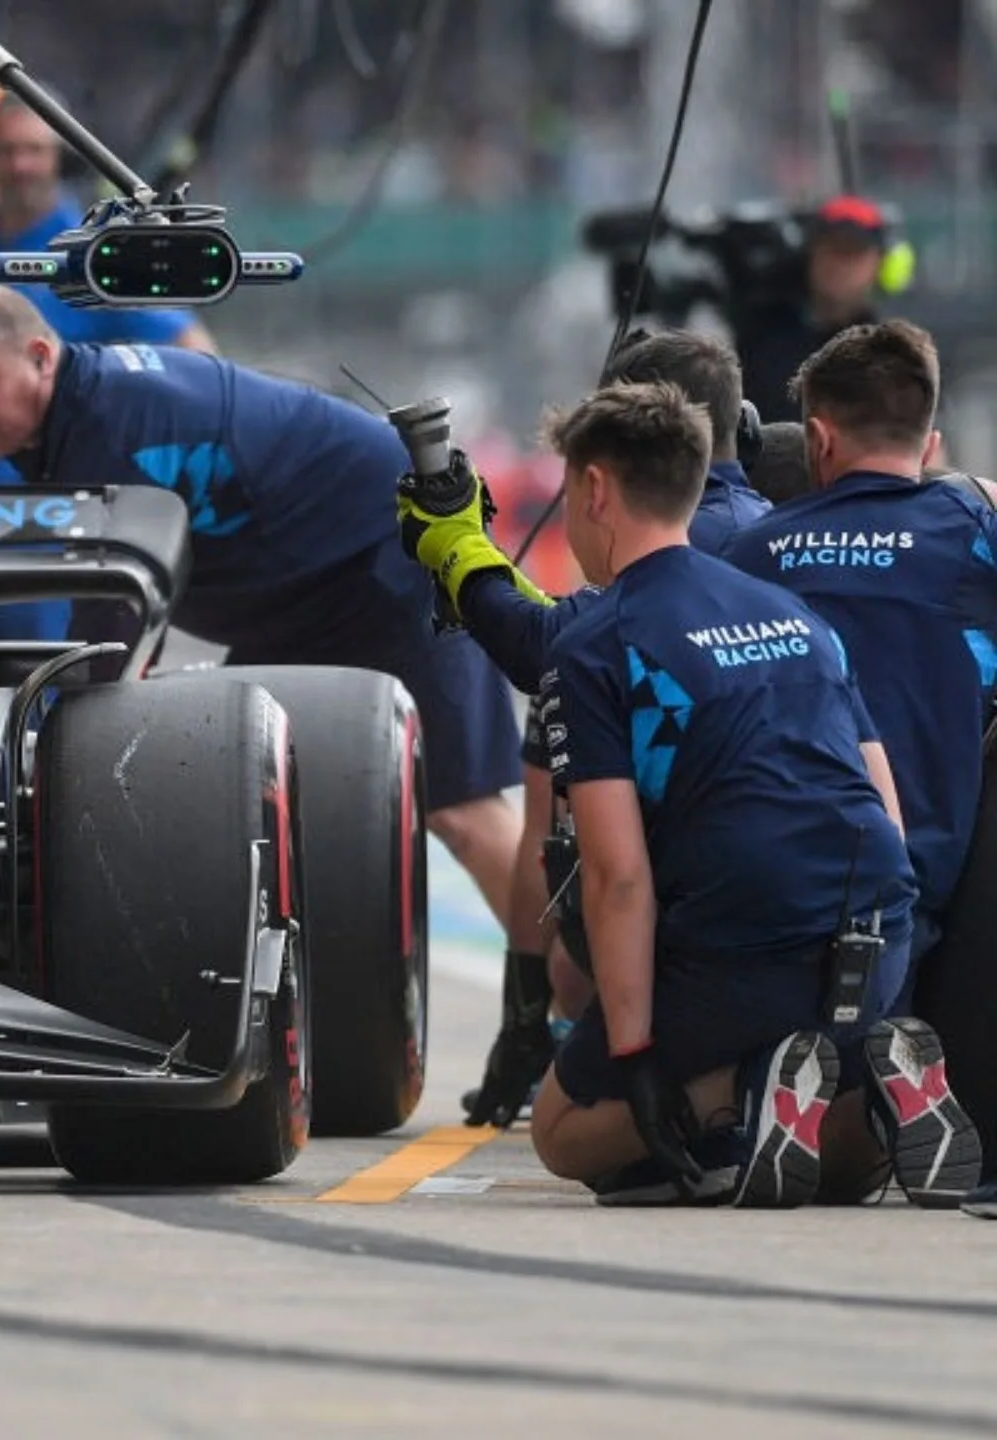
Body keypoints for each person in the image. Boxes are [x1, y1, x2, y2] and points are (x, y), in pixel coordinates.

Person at [403, 378, 974, 1207]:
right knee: (834, 1170)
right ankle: (869, 1090)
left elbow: (618, 877)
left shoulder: (598, 641)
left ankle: (739, 1096)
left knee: (568, 1135)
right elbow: (883, 804)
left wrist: (636, 1062)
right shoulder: (793, 613)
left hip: (750, 941)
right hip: (875, 931)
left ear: (595, 490)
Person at [0, 283, 525, 926]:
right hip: (306, 596)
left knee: (463, 813)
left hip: (397, 554)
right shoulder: (73, 416)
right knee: (258, 801)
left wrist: (36, 770)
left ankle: (566, 1009)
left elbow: (103, 649)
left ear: (41, 356)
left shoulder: (106, 428)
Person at [465, 329, 773, 1129]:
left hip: (702, 916)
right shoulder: (790, 547)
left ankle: (727, 1097)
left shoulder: (606, 618)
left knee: (564, 1129)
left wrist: (531, 1026)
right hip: (861, 908)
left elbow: (554, 838)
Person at [717, 320, 990, 1202]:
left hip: (779, 891)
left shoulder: (750, 553)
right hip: (940, 887)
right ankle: (893, 1093)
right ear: (931, 441)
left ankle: (801, 1100)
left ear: (819, 440)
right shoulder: (971, 527)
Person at [0, 96, 215, 718]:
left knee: (67, 714)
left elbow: (191, 354)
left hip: (55, 533)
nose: (21, 164)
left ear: (56, 159)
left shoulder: (94, 257)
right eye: (9, 150)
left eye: (35, 149)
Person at [734, 196, 889, 426]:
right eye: (831, 248)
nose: (840, 265)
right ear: (811, 254)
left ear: (877, 263)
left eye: (853, 253)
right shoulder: (763, 336)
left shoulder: (887, 354)